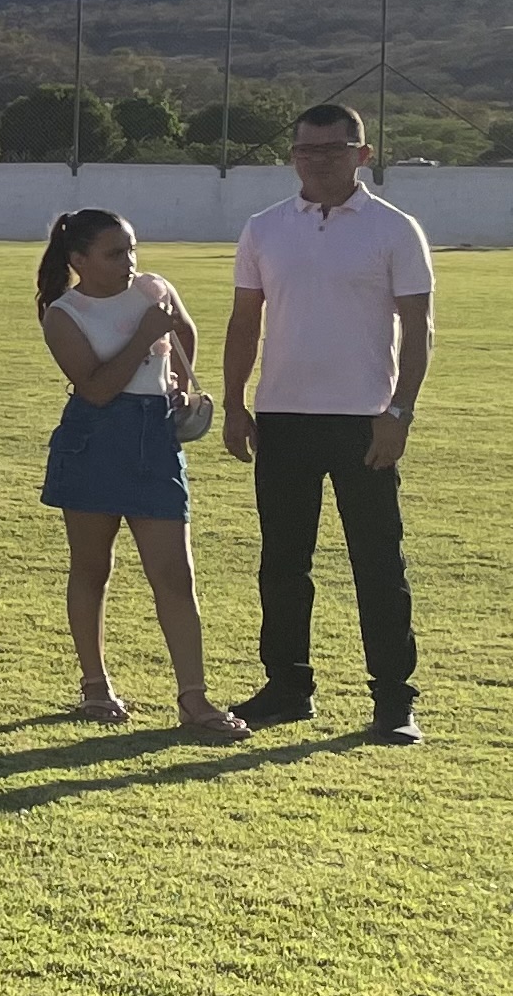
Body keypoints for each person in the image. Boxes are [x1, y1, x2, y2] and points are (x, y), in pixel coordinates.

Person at [221, 102, 436, 744]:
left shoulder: (394, 229)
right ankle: (288, 686)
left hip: (364, 420)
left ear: (361, 155)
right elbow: (244, 321)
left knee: (378, 562)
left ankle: (394, 700)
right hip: (283, 416)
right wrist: (235, 404)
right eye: (305, 150)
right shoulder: (264, 228)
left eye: (332, 150)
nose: (316, 162)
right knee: (283, 562)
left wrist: (399, 412)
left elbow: (419, 328)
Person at [39, 209, 238, 740]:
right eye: (114, 253)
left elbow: (185, 332)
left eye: (131, 249)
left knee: (175, 573)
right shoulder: (64, 313)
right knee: (92, 568)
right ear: (78, 260)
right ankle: (95, 685)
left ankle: (194, 698)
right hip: (94, 441)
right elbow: (96, 389)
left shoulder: (155, 288)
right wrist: (145, 336)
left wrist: (179, 383)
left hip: (155, 439)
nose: (128, 261)